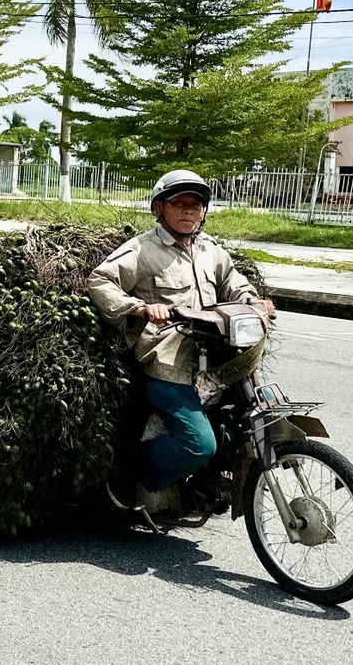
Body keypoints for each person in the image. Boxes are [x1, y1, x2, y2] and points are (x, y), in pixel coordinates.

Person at [87, 170, 276, 507]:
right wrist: (139, 307)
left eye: (196, 204)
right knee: (199, 444)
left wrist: (253, 300)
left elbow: (232, 282)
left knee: (250, 414)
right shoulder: (143, 250)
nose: (189, 210)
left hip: (213, 357)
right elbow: (100, 281)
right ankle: (131, 475)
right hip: (165, 362)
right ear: (159, 208)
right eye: (179, 203)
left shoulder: (209, 250)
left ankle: (208, 479)